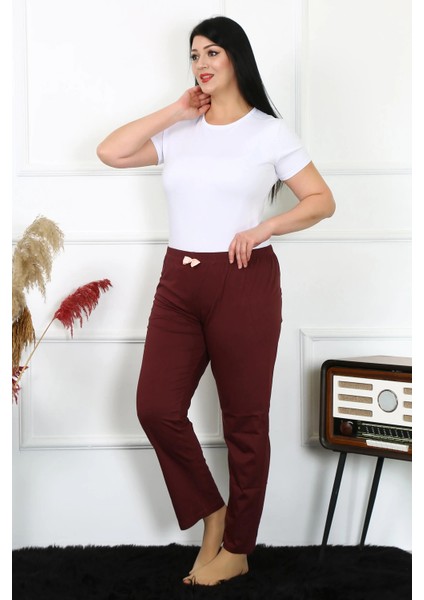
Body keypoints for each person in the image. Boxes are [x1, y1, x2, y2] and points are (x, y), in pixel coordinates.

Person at [97, 15, 335, 586]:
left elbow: (321, 200)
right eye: (194, 54)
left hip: (244, 278)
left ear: (236, 58)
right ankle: (214, 513)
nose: (201, 63)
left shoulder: (269, 133)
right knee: (155, 406)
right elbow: (110, 152)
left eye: (212, 52)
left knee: (245, 423)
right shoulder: (180, 129)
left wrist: (265, 227)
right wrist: (176, 111)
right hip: (178, 283)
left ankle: (238, 548)